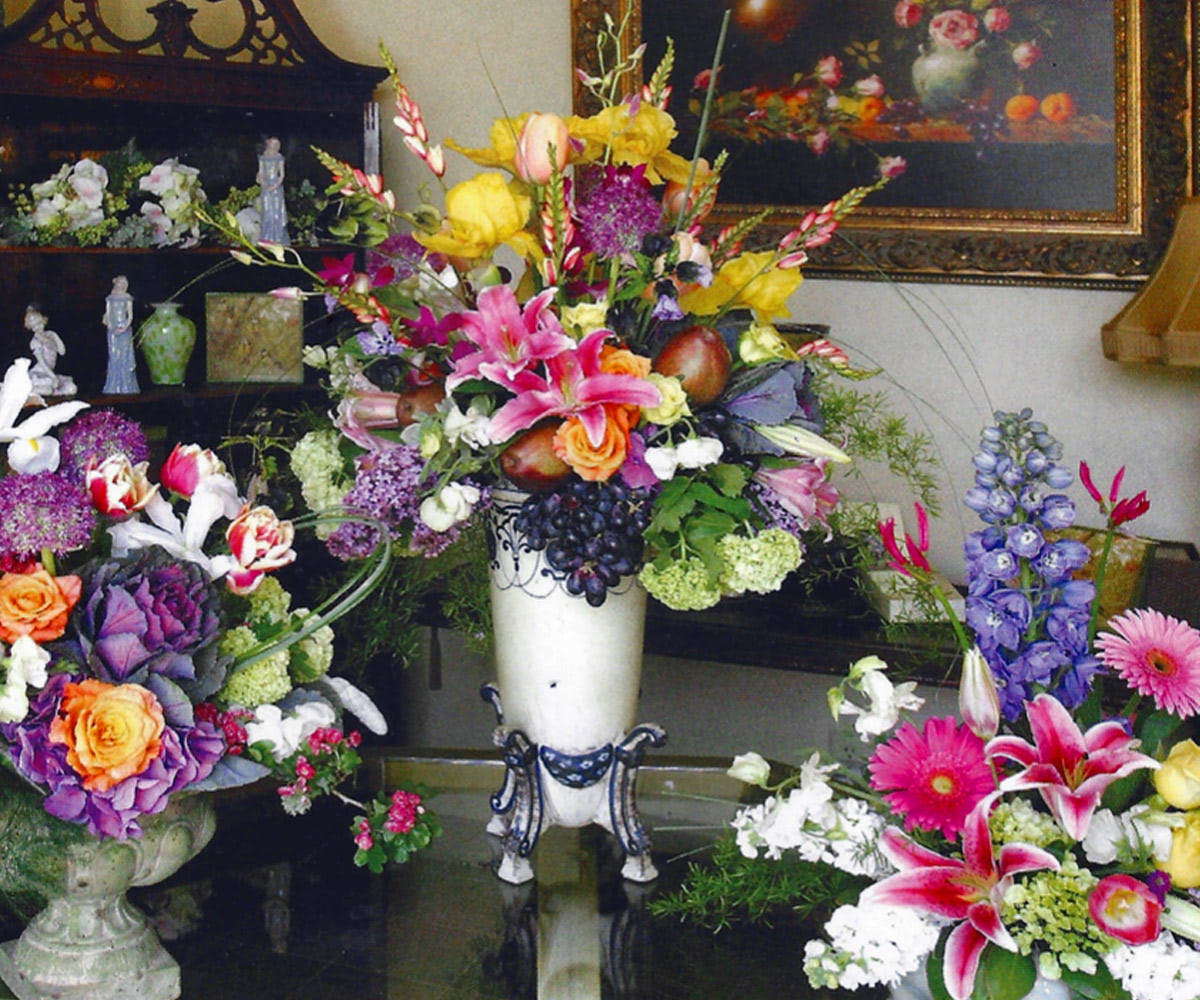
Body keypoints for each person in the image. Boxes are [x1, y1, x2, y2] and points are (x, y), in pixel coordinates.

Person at [25, 305, 76, 397]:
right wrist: (53, 377)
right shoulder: (35, 342)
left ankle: (53, 390)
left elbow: (62, 352)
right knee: (48, 386)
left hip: (51, 373)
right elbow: (43, 363)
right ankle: (31, 390)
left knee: (72, 388)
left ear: (44, 321)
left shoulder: (51, 334)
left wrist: (56, 338)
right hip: (41, 373)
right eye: (34, 326)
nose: (38, 328)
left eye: (39, 323)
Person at [103, 275, 139, 395]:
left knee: (124, 356)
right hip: (113, 329)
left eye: (124, 284)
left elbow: (130, 316)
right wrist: (111, 327)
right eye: (120, 284)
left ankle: (126, 386)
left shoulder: (127, 298)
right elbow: (108, 314)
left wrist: (124, 327)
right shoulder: (110, 298)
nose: (122, 286)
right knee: (114, 356)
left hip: (124, 328)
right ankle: (113, 385)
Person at [257, 136, 289, 245]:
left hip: (276, 186)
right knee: (267, 211)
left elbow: (282, 175)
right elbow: (261, 172)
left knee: (276, 211)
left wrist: (275, 186)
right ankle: (267, 237)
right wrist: (264, 184)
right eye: (273, 144)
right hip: (266, 186)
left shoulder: (279, 157)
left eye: (276, 144)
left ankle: (277, 237)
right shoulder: (263, 157)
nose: (274, 146)